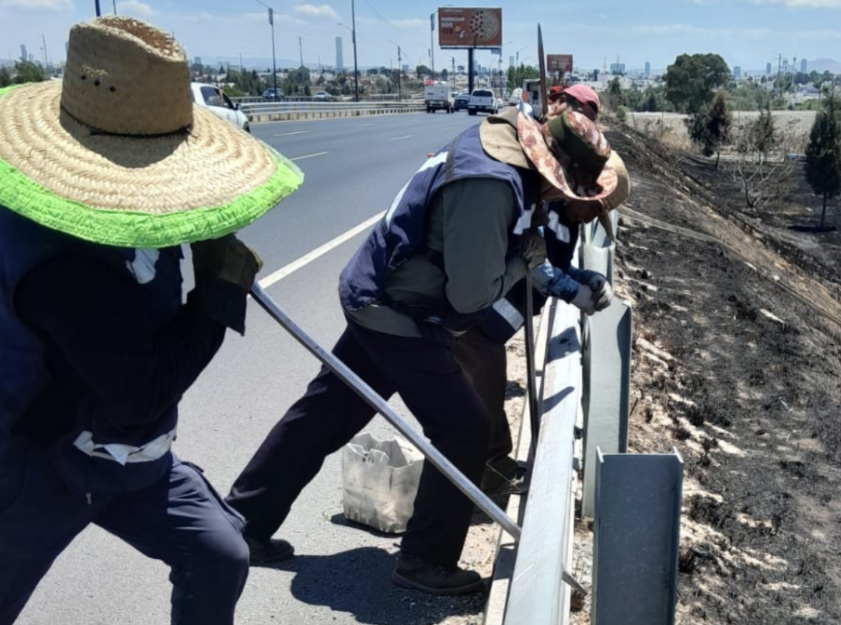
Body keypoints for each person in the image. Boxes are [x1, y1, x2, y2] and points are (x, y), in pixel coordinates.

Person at [226, 106, 620, 596]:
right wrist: (522, 260)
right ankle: (425, 559)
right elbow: (471, 296)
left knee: (325, 412)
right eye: (567, 188)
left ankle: (242, 521)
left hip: (384, 293)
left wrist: (536, 262)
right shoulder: (490, 186)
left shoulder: (496, 148)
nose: (563, 198)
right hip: (402, 312)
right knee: (464, 428)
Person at [0, 17, 302, 625]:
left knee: (218, 554)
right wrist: (217, 296)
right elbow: (141, 391)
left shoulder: (141, 214)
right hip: (40, 461)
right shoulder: (60, 264)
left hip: (128, 456)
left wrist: (204, 238)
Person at [461, 85, 631, 493]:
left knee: (484, 395)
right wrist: (574, 291)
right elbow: (532, 260)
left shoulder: (569, 217)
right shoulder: (545, 196)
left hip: (494, 319)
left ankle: (489, 470)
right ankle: (485, 476)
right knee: (480, 399)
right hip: (477, 316)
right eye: (592, 204)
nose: (591, 212)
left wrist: (582, 278)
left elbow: (550, 260)